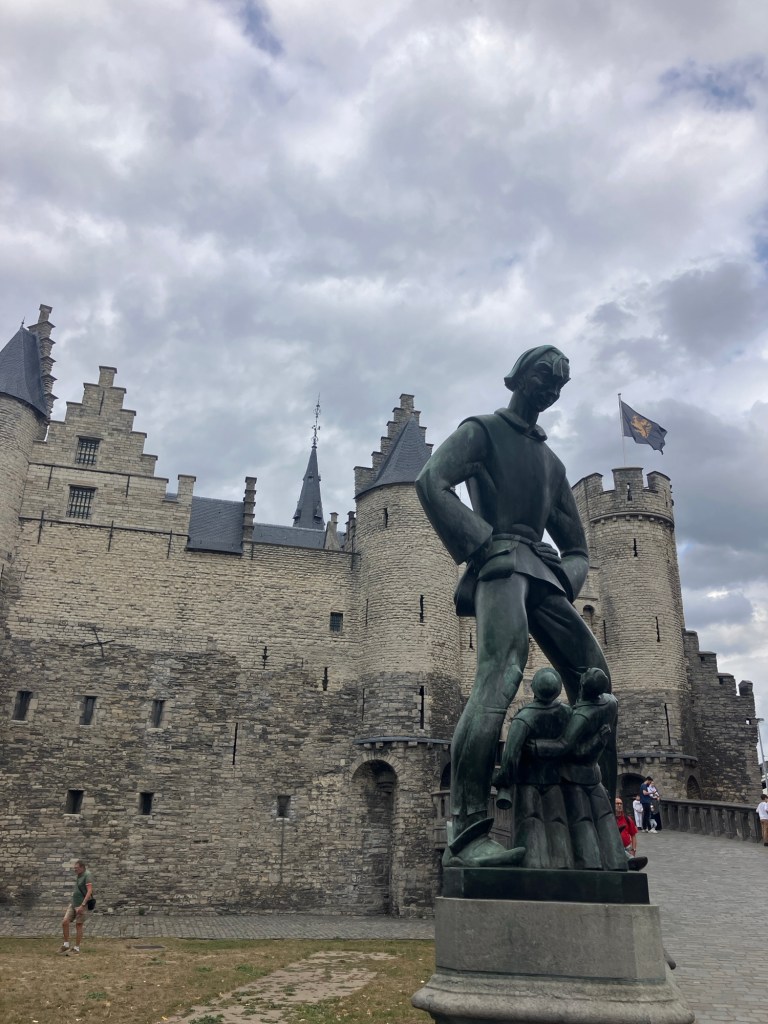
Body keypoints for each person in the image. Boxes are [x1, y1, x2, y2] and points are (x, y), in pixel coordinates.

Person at [416, 346, 613, 867]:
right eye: (545, 376)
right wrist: (483, 544)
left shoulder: (552, 463)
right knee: (500, 677)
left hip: (541, 574)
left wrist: (562, 578)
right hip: (500, 565)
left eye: (560, 383)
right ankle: (467, 833)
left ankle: (599, 837)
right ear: (519, 376)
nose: (551, 388)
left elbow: (578, 549)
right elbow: (431, 481)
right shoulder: (482, 430)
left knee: (596, 679)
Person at [58, 859, 93, 955]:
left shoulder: (87, 875)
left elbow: (89, 891)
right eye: (74, 868)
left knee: (79, 925)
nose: (75, 869)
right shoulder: (79, 875)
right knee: (65, 922)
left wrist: (82, 905)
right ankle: (66, 944)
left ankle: (76, 948)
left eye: (76, 868)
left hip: (82, 905)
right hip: (73, 903)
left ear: (82, 867)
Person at [614, 797, 647, 870]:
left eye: (621, 804)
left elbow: (633, 835)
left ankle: (632, 863)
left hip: (627, 848)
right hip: (615, 848)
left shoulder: (627, 819)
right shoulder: (610, 819)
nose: (619, 805)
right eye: (617, 803)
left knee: (629, 862)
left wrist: (634, 849)